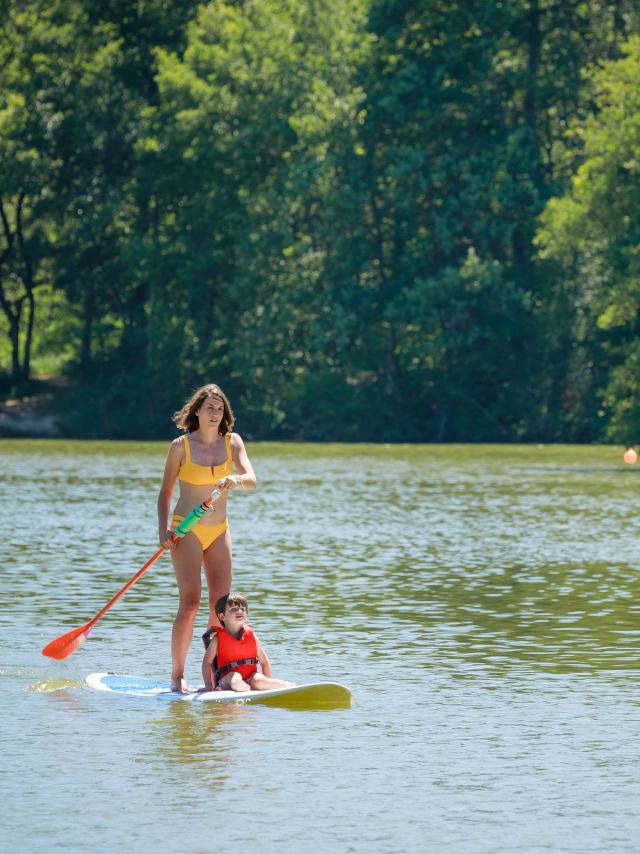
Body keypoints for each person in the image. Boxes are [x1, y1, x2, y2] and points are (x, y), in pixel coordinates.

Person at [158, 383, 256, 692]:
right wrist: (163, 530)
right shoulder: (180, 446)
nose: (215, 413)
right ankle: (177, 674)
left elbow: (251, 480)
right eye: (209, 407)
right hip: (185, 530)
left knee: (220, 605)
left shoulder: (233, 442)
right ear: (197, 411)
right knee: (190, 601)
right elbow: (165, 493)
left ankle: (215, 672)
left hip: (219, 530)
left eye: (220, 408)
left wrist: (235, 479)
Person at [201, 592, 294, 692]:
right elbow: (207, 663)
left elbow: (264, 662)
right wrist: (208, 685)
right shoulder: (217, 639)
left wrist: (266, 682)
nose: (240, 611)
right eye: (233, 609)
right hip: (226, 680)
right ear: (222, 616)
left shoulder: (251, 636)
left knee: (259, 680)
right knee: (234, 677)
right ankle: (242, 687)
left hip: (251, 677)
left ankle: (286, 685)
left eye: (243, 609)